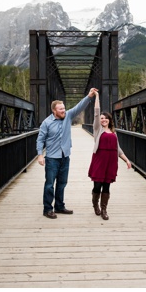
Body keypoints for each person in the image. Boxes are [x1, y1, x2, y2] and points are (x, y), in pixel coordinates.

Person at [36, 88, 98, 219]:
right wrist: (40, 155)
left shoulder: (68, 116)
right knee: (49, 184)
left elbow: (79, 107)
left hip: (65, 156)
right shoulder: (46, 123)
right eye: (60, 109)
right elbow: (40, 139)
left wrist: (89, 96)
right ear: (54, 111)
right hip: (52, 158)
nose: (63, 111)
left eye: (64, 108)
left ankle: (59, 206)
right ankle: (47, 209)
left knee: (62, 183)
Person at [87, 91, 132, 220]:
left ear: (109, 120)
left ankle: (104, 210)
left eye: (106, 118)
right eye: (101, 118)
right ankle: (96, 205)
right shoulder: (97, 129)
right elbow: (96, 112)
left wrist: (126, 160)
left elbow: (118, 149)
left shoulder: (113, 132)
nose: (103, 119)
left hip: (111, 162)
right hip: (99, 160)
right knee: (97, 185)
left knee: (107, 185)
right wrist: (97, 96)